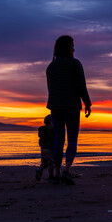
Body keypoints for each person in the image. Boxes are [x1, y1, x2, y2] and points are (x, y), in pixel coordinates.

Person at [46, 35, 91, 185]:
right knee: (72, 140)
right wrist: (87, 103)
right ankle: (67, 170)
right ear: (68, 47)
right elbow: (81, 86)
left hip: (55, 106)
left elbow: (50, 89)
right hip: (71, 105)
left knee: (59, 139)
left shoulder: (51, 67)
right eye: (72, 45)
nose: (74, 48)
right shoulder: (75, 64)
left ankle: (58, 172)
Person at [35, 114, 55, 182]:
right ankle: (51, 176)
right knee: (51, 163)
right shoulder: (52, 129)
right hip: (50, 148)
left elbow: (40, 138)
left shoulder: (41, 129)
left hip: (43, 149)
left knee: (44, 163)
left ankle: (39, 169)